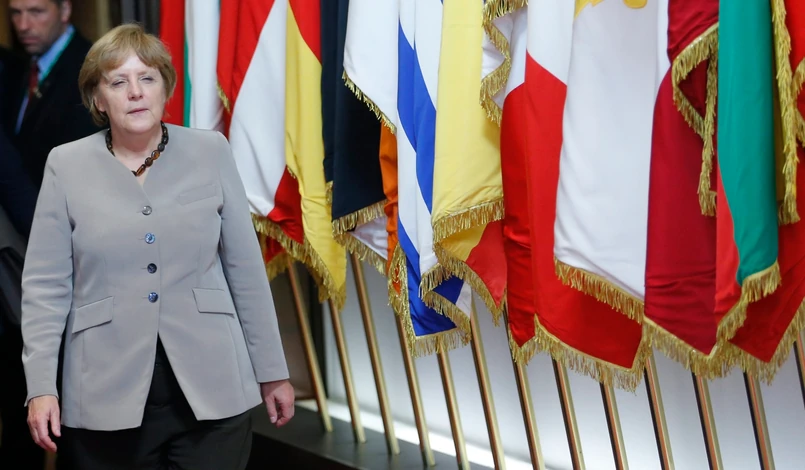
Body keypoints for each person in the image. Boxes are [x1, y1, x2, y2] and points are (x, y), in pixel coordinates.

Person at [21, 23, 295, 470]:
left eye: (147, 78)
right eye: (118, 82)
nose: (135, 92)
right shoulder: (65, 165)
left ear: (165, 88)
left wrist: (273, 372)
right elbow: (45, 289)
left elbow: (245, 272)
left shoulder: (211, 151)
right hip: (104, 392)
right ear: (98, 99)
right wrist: (40, 386)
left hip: (213, 386)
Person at [5, 0, 100, 187]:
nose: (23, 25)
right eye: (16, 13)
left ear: (64, 10)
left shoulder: (91, 70)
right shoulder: (16, 66)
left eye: (36, 12)